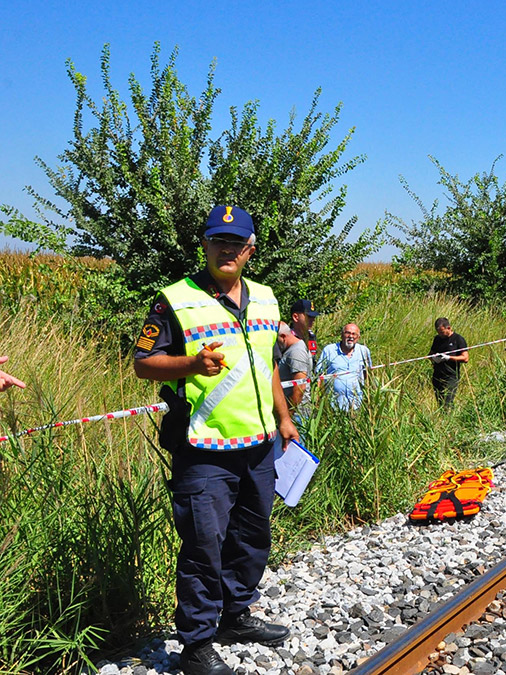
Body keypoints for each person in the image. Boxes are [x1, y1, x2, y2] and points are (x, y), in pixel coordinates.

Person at [133, 205, 297, 675]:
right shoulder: (174, 300)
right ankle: (197, 646)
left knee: (252, 538)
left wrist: (284, 417)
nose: (226, 249)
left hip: (260, 443)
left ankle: (236, 616)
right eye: (217, 241)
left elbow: (265, 367)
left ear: (249, 249)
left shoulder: (266, 298)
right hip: (204, 450)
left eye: (236, 243)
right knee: (204, 547)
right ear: (204, 245)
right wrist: (190, 365)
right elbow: (143, 363)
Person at [318, 324, 373, 410]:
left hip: (357, 404)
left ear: (358, 337)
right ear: (342, 335)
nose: (351, 336)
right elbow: (319, 375)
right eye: (347, 333)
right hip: (333, 404)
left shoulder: (363, 351)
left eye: (354, 334)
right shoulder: (329, 350)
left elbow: (368, 375)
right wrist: (318, 400)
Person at [429, 317, 468, 407]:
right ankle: (442, 419)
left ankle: (450, 418)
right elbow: (430, 354)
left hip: (451, 375)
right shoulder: (437, 339)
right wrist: (435, 358)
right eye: (438, 332)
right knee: (440, 402)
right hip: (437, 375)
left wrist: (449, 358)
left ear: (449, 328)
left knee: (448, 401)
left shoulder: (458, 339)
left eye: (442, 332)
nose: (440, 334)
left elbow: (465, 358)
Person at [276, 323, 312, 412]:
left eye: (277, 340)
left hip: (297, 414)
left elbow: (300, 387)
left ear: (283, 337)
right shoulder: (292, 350)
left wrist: (288, 414)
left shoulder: (296, 352)